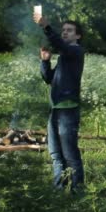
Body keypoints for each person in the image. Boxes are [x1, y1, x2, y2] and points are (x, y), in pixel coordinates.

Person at [33, 11, 85, 190]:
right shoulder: (64, 57)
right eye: (63, 30)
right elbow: (49, 78)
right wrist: (45, 61)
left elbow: (62, 46)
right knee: (56, 155)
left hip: (68, 111)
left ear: (78, 35)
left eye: (69, 30)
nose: (65, 32)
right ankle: (58, 191)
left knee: (70, 155)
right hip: (55, 110)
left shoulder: (76, 51)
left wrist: (46, 26)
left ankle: (77, 192)